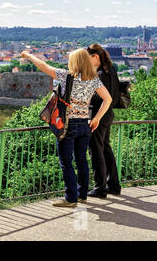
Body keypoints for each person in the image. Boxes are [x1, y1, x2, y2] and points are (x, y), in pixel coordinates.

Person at [21, 49, 112, 207]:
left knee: (66, 162)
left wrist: (28, 56)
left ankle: (71, 198)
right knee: (82, 160)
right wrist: (96, 118)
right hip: (85, 124)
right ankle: (82, 195)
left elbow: (43, 66)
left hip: (67, 124)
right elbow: (108, 99)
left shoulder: (66, 76)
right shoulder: (94, 79)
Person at [86, 44, 122, 198]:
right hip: (108, 114)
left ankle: (100, 188)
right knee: (105, 149)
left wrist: (95, 118)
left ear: (95, 57)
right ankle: (113, 185)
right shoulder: (111, 69)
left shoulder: (100, 74)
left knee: (96, 150)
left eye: (89, 59)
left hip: (99, 114)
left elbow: (102, 99)